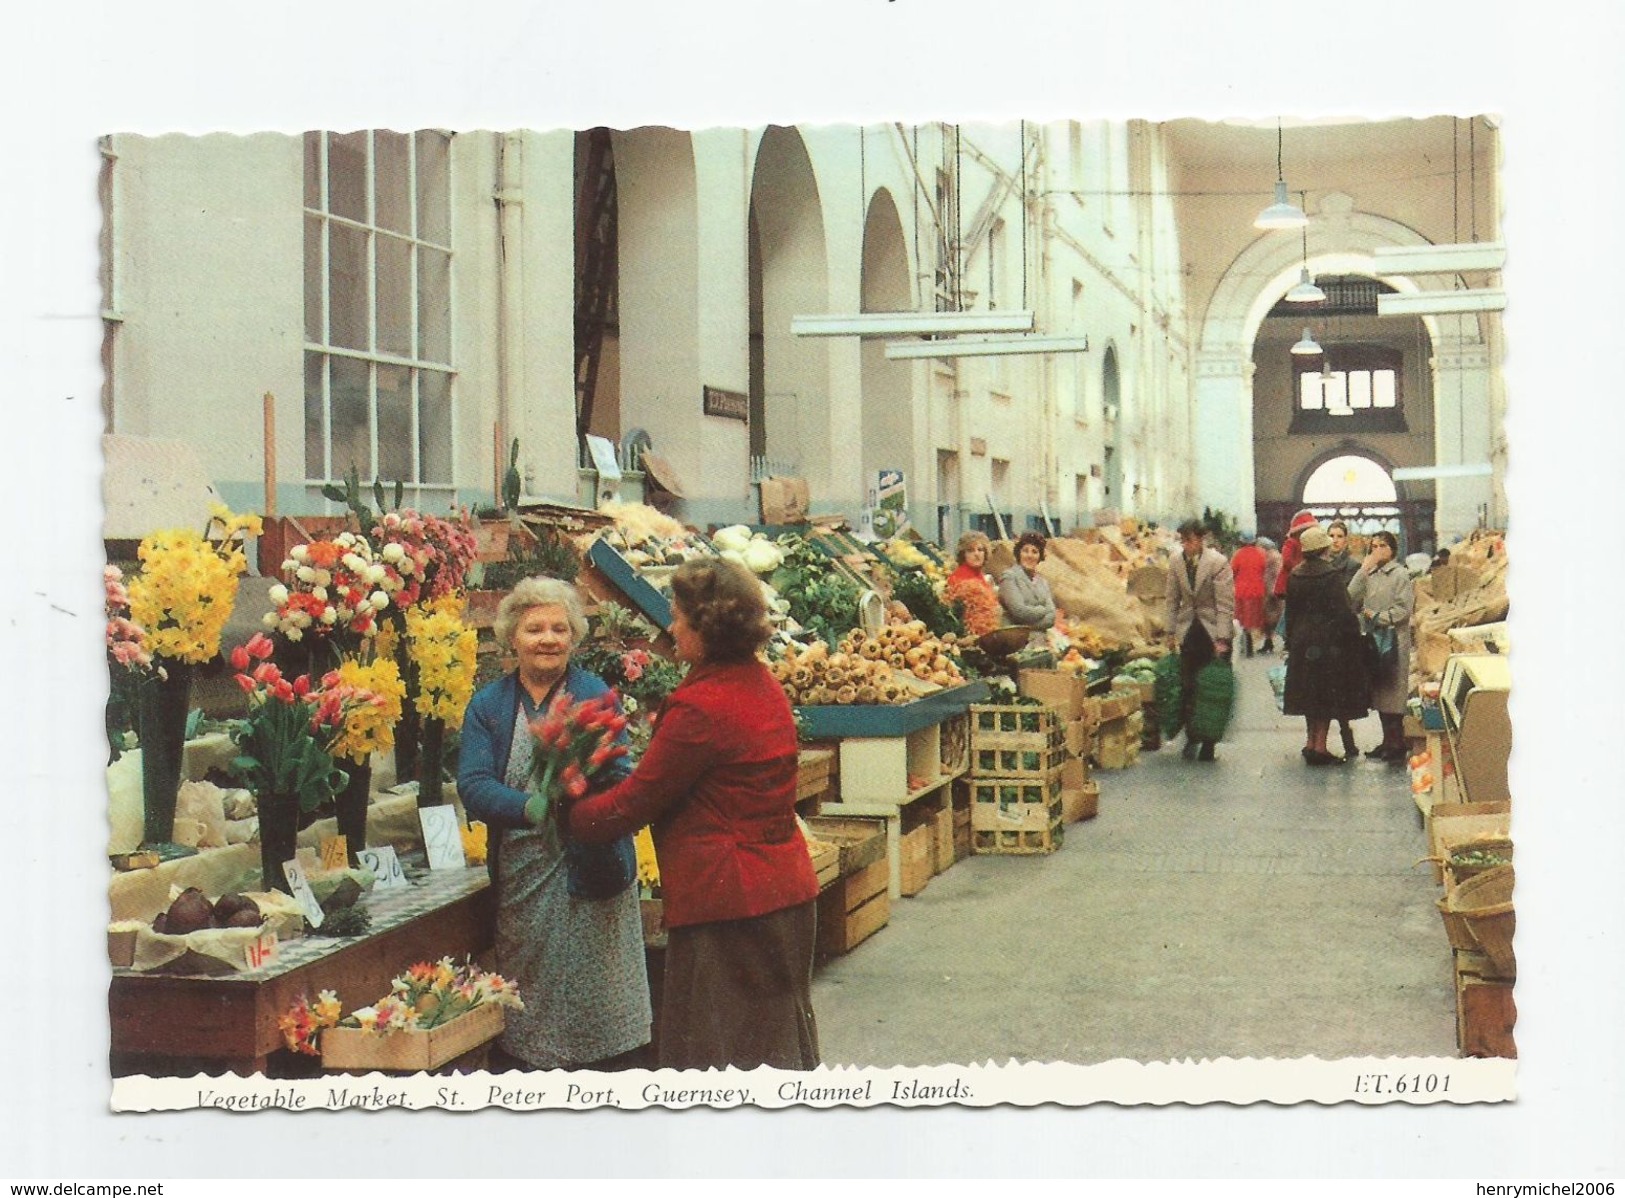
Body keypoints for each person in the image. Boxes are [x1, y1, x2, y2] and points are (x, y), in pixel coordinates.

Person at [566, 557, 820, 1071]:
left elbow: (637, 801)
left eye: (679, 615)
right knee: (775, 1047)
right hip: (783, 891)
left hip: (728, 904)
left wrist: (564, 813)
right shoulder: (761, 685)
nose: (672, 626)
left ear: (707, 626)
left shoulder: (701, 706)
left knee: (721, 1057)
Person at [457, 577, 651, 1071]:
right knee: (534, 987)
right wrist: (531, 808)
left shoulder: (593, 696)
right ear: (512, 637)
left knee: (597, 988)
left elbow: (621, 778)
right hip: (524, 869)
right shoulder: (488, 707)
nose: (548, 639)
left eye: (559, 629)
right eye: (535, 628)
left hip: (592, 863)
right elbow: (474, 784)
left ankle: (604, 1076)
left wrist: (578, 804)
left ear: (574, 636)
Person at [1283, 526, 1371, 766]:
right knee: (1324, 695)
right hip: (1327, 643)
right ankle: (1320, 747)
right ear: (1323, 548)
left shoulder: (1296, 575)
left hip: (1302, 643)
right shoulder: (1330, 576)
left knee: (1308, 694)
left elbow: (1289, 613)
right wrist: (1354, 636)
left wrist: (1290, 641)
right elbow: (1344, 612)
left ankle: (1310, 742)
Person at [1165, 520, 1235, 762]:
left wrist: (1223, 638)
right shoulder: (1175, 562)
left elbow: (1225, 604)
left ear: (1201, 539)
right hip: (1188, 631)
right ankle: (1192, 736)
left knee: (1211, 689)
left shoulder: (1218, 563)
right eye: (1182, 540)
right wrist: (1169, 632)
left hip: (1211, 629)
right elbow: (1172, 599)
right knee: (1188, 685)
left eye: (1190, 540)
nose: (1186, 545)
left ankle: (1209, 743)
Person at [1349, 530, 1417, 762]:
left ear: (1392, 549)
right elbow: (1350, 595)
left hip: (1394, 640)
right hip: (1373, 640)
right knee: (1378, 690)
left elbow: (1403, 609)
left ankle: (1396, 742)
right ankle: (1386, 740)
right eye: (1373, 546)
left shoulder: (1400, 575)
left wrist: (1378, 616)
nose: (1377, 550)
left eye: (1382, 546)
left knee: (1393, 690)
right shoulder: (1369, 573)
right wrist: (1363, 569)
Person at [1324, 521, 1363, 759]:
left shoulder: (1353, 566)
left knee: (1341, 688)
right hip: (1323, 635)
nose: (1335, 540)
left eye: (1339, 536)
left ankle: (1346, 735)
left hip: (1344, 635)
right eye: (1331, 535)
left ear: (1346, 540)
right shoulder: (1320, 565)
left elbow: (1354, 600)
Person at [998, 531, 1059, 649]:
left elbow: (1051, 618)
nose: (1029, 555)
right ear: (1019, 554)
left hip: (1041, 643)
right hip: (1017, 644)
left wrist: (1027, 622)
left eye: (1035, 552)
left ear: (1040, 556)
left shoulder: (1042, 582)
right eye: (1025, 551)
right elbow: (1019, 612)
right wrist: (1042, 610)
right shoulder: (1009, 577)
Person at [1228, 532, 1268, 658]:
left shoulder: (1238, 555)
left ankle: (1246, 642)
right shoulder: (1261, 553)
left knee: (1243, 619)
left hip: (1242, 591)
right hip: (1258, 590)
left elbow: (1232, 571)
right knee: (1254, 619)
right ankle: (1251, 642)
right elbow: (1263, 569)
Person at [1257, 536, 1283, 653]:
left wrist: (1274, 590)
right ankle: (1268, 643)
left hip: (1273, 594)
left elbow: (1278, 574)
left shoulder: (1274, 557)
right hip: (1267, 591)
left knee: (1275, 620)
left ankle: (1283, 642)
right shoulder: (1267, 556)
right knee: (1267, 620)